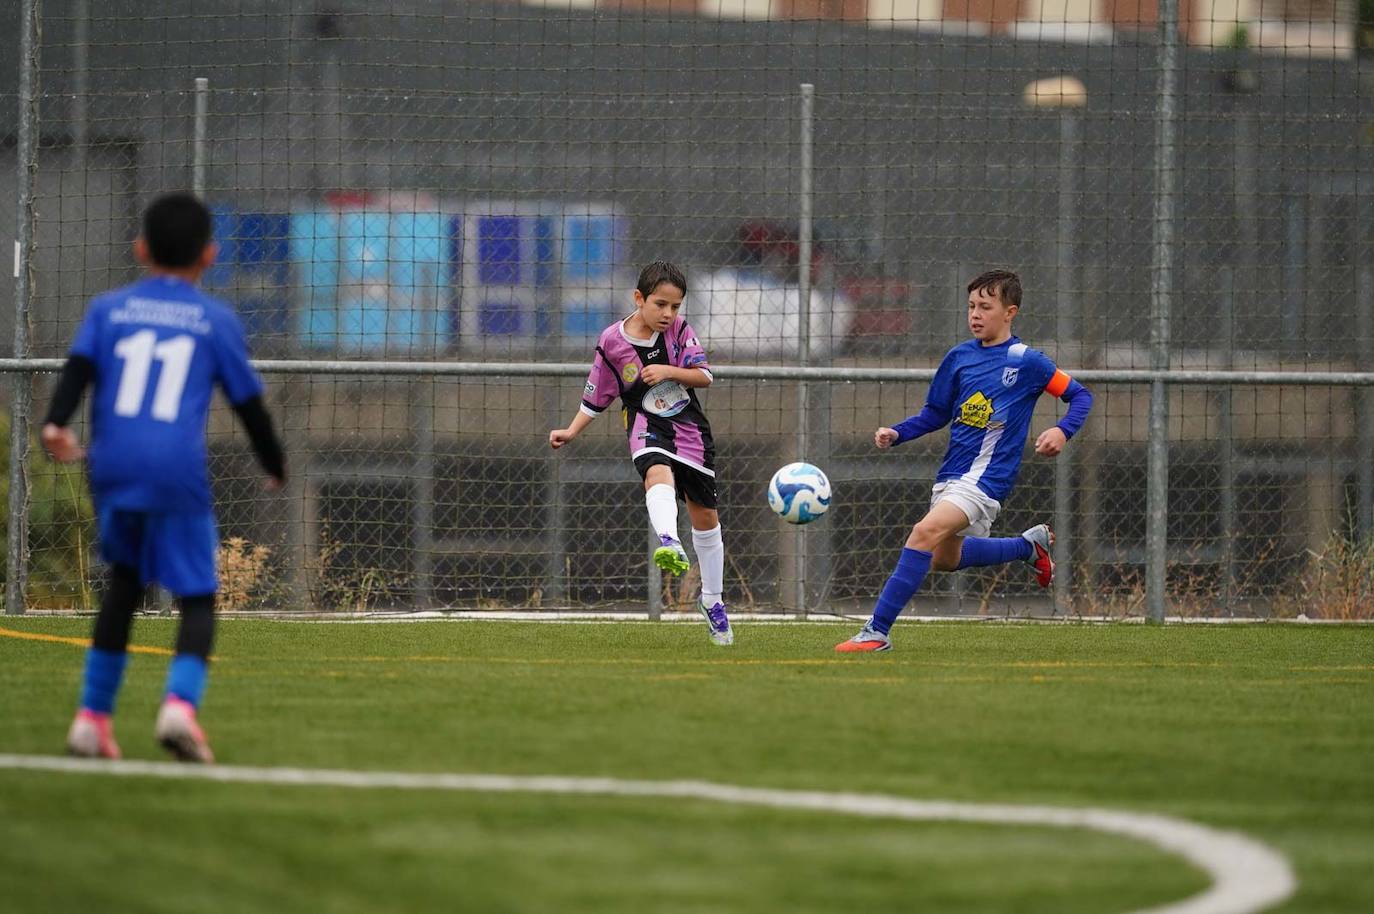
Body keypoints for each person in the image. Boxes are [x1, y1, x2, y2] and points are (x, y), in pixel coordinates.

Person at [43, 192, 286, 761]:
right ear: (210, 254)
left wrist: (55, 424)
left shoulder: (108, 309)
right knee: (197, 595)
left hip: (111, 464)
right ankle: (179, 709)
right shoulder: (214, 319)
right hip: (175, 471)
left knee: (124, 585)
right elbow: (248, 405)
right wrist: (274, 464)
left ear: (141, 249)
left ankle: (91, 719)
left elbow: (78, 370)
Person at [837, 269, 1093, 652]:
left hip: (987, 478)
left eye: (985, 307)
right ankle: (1027, 548)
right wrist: (898, 432)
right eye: (971, 306)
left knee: (922, 534)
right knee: (942, 557)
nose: (975, 314)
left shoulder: (1027, 362)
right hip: (952, 475)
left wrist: (1061, 430)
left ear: (1010, 312)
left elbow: (1080, 396)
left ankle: (876, 631)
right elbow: (935, 413)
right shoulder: (958, 357)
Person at [549, 261, 732, 646]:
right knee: (656, 471)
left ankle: (712, 602)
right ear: (639, 298)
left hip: (690, 431)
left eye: (675, 307)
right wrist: (571, 430)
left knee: (706, 518)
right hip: (645, 425)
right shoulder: (612, 341)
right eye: (661, 304)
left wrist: (669, 371)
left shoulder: (680, 332)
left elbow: (705, 376)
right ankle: (668, 540)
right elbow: (597, 396)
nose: (668, 314)